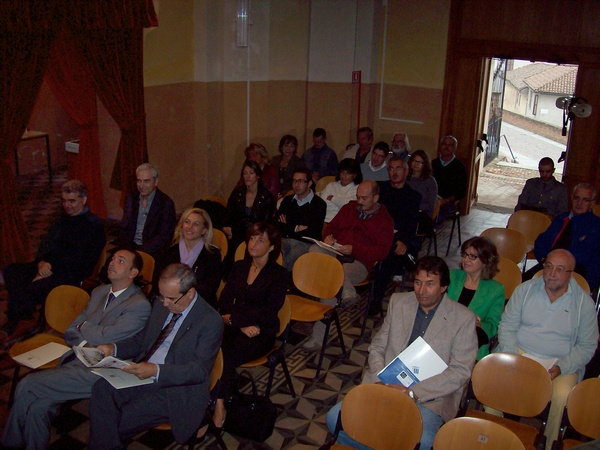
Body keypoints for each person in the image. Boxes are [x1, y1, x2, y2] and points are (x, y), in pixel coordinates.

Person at [2, 248, 151, 450]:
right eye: (113, 258)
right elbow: (72, 329)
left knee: (27, 385)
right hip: (77, 358)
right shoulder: (99, 292)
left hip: (102, 372)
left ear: (133, 273)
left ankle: (9, 443)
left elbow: (107, 336)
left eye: (121, 261)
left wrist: (85, 328)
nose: (112, 263)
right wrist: (83, 343)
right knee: (38, 407)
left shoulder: (139, 305)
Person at [326, 256, 477, 450]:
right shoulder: (399, 302)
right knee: (335, 419)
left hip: (429, 398)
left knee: (422, 442)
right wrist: (383, 380)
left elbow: (460, 371)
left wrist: (414, 392)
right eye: (417, 283)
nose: (422, 291)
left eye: (430, 284)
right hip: (384, 386)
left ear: (443, 287)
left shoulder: (463, 319)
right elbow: (377, 347)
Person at [87, 263, 224, 449]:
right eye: (162, 296)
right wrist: (113, 348)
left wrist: (156, 370)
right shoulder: (162, 306)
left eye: (171, 299)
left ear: (190, 293)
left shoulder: (210, 320)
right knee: (101, 389)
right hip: (142, 372)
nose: (165, 303)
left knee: (113, 422)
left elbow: (198, 371)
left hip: (175, 388)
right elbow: (142, 340)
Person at [497, 249, 598, 448]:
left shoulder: (583, 304)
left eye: (560, 269)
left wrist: (563, 366)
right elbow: (507, 326)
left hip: (559, 363)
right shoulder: (525, 290)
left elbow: (587, 345)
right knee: (493, 377)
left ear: (571, 274)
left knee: (561, 397)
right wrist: (512, 357)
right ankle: (498, 430)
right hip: (520, 352)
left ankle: (550, 441)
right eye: (549, 266)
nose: (552, 273)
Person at [2, 179, 106, 338]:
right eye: (64, 201)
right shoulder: (62, 219)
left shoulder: (93, 225)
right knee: (14, 272)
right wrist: (42, 262)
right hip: (49, 265)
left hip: (71, 273)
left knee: (31, 288)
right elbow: (46, 244)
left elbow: (80, 260)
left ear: (84, 200)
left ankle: (21, 323)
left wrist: (49, 269)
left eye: (72, 201)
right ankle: (22, 317)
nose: (67, 205)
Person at [304, 180, 394, 351]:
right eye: (358, 197)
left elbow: (381, 252)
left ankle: (318, 336)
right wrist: (329, 237)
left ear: (376, 198)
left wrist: (355, 249)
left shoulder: (385, 220)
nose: (359, 202)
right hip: (336, 252)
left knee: (334, 278)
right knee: (314, 249)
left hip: (359, 262)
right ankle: (347, 292)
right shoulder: (349, 208)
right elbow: (331, 228)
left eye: (364, 198)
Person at [214, 222, 288, 428]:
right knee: (210, 346)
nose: (253, 243)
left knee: (226, 356)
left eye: (260, 240)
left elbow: (268, 312)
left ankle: (219, 404)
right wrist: (237, 323)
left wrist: (234, 319)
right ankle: (215, 397)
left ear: (272, 247)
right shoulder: (239, 267)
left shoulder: (279, 275)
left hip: (261, 332)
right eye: (252, 238)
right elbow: (225, 301)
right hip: (237, 326)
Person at [526, 183, 600, 291]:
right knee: (521, 287)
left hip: (575, 273)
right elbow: (542, 240)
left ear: (592, 203)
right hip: (549, 265)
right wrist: (543, 257)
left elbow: (588, 258)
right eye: (576, 198)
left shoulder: (596, 226)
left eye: (585, 200)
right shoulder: (562, 218)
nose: (579, 203)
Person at [371, 157, 421, 315]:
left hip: (399, 240)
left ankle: (376, 299)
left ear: (406, 172)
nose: (394, 172)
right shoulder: (380, 189)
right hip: (378, 235)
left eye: (398, 168)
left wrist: (404, 241)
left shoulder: (413, 196)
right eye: (391, 169)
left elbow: (411, 225)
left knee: (387, 256)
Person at [447, 236, 505, 360]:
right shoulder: (451, 276)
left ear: (485, 260)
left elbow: (494, 325)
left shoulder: (495, 290)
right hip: (444, 335)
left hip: (472, 342)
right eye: (465, 255)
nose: (466, 260)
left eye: (472, 256)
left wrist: (480, 324)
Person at [153, 208, 222, 308]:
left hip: (198, 304)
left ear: (204, 230)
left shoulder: (212, 255)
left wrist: (182, 299)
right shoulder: (168, 251)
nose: (190, 227)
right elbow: (157, 280)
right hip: (167, 302)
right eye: (187, 222)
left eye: (196, 224)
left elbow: (210, 288)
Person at [223, 159, 275, 273]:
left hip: (257, 235)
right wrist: (227, 227)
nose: (247, 176)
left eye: (251, 173)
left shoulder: (266, 196)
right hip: (237, 233)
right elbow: (229, 214)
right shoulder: (237, 194)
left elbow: (267, 223)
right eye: (245, 173)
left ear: (258, 176)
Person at [119, 163, 176, 257]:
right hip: (130, 249)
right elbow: (125, 228)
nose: (142, 186)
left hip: (153, 252)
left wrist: (140, 252)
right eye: (139, 181)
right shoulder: (131, 199)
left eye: (146, 181)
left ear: (156, 182)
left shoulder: (166, 204)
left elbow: (164, 237)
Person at [276, 168, 327, 271]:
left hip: (305, 243)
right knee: (272, 248)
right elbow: (276, 224)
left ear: (309, 183)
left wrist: (288, 226)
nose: (296, 184)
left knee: (290, 257)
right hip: (285, 239)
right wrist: (297, 227)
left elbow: (313, 232)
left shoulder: (319, 204)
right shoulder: (287, 200)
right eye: (294, 181)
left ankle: (281, 282)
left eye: (300, 181)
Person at [431, 135, 467, 222]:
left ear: (455, 148)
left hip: (448, 201)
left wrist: (447, 200)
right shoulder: (433, 164)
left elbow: (461, 190)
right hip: (432, 198)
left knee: (435, 218)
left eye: (450, 145)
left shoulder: (459, 167)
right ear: (440, 146)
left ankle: (429, 232)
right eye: (444, 144)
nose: (446, 147)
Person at [317, 158, 363, 223]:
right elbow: (322, 204)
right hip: (323, 220)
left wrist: (333, 199)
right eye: (342, 172)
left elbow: (349, 207)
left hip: (343, 223)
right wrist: (339, 206)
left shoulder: (358, 188)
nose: (344, 175)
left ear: (355, 175)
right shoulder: (331, 185)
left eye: (348, 173)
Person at [407, 149, 438, 234]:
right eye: (414, 161)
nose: (416, 164)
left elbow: (430, 205)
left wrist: (414, 207)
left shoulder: (430, 181)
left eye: (419, 162)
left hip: (422, 215)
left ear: (425, 165)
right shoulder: (406, 177)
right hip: (405, 212)